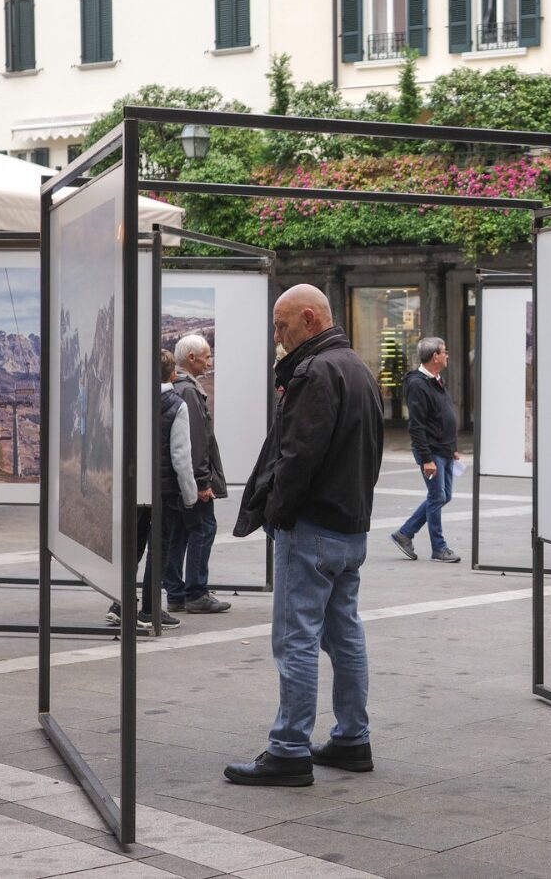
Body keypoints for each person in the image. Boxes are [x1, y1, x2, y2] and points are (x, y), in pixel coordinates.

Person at [225, 284, 384, 787]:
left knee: (296, 638)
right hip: (350, 525)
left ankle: (289, 747)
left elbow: (296, 456)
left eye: (282, 325)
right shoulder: (358, 367)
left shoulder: (315, 371)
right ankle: (352, 737)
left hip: (313, 526)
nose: (277, 335)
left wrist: (278, 513)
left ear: (310, 319)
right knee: (345, 634)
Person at [107, 351, 194, 630]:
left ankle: (120, 604)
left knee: (133, 545)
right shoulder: (176, 405)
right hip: (165, 491)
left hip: (133, 485)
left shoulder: (131, 400)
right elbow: (181, 456)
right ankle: (149, 609)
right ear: (172, 374)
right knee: (160, 549)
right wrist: (190, 494)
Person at [169, 334, 231, 615]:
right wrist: (202, 481)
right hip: (192, 480)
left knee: (181, 531)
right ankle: (195, 592)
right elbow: (194, 441)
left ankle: (176, 591)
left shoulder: (178, 388)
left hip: (181, 480)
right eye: (206, 356)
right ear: (191, 358)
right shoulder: (189, 392)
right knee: (203, 529)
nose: (209, 361)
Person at [390, 336, 462, 564]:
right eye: (444, 351)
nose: (447, 355)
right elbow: (417, 426)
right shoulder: (418, 384)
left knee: (444, 496)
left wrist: (453, 448)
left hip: (444, 450)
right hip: (431, 453)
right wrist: (426, 459)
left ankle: (405, 533)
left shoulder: (437, 380)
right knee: (437, 496)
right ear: (435, 357)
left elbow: (442, 416)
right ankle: (439, 548)